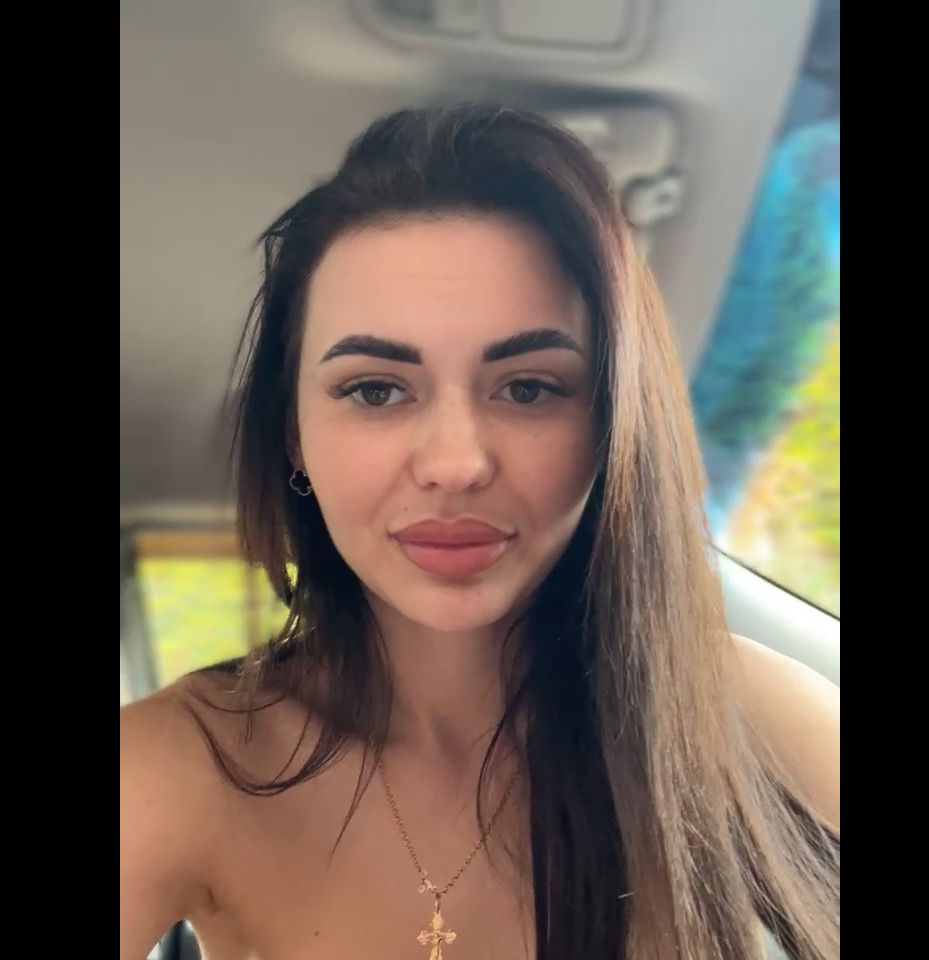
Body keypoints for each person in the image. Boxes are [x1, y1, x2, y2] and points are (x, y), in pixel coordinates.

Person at [120, 104, 839, 960]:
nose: (456, 464)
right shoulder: (183, 765)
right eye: (376, 390)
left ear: (611, 422)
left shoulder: (730, 709)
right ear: (294, 434)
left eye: (529, 388)